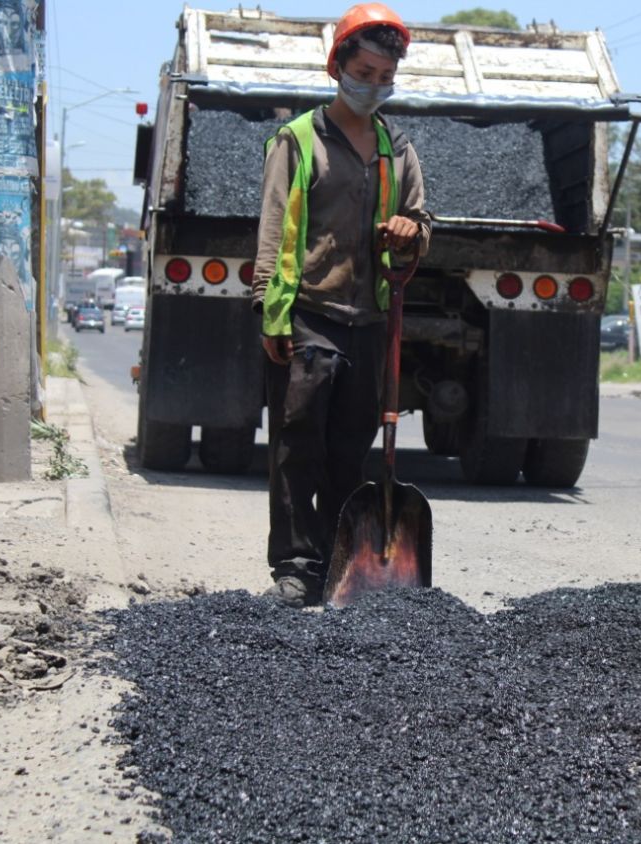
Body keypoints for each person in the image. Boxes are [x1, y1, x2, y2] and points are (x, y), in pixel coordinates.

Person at [251, 3, 430, 608]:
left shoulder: (397, 149)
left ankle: (338, 564)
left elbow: (421, 224)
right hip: (308, 313)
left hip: (370, 321)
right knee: (298, 443)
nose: (374, 85)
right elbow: (274, 231)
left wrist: (412, 234)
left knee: (349, 448)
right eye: (365, 72)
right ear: (337, 66)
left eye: (386, 77)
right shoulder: (297, 141)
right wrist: (270, 313)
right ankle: (296, 568)